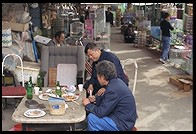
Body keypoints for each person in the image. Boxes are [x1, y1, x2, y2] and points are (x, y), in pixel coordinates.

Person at [82, 60, 138, 131]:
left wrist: (88, 104)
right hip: (123, 117)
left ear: (102, 77)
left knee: (92, 118)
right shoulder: (116, 82)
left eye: (98, 76)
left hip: (123, 123)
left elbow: (100, 112)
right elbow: (108, 101)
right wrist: (96, 99)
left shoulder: (113, 89)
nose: (97, 79)